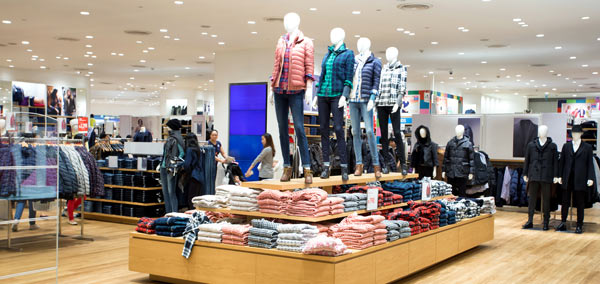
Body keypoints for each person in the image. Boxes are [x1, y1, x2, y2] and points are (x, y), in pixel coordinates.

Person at [160, 119, 184, 213]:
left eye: (168, 126)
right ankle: (168, 213)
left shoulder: (177, 138)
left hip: (171, 168)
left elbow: (182, 153)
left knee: (171, 192)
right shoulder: (170, 138)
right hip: (163, 166)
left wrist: (174, 163)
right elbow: (166, 153)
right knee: (165, 192)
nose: (167, 128)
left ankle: (173, 213)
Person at [183, 133, 204, 208]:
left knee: (190, 198)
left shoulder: (189, 150)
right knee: (196, 198)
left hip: (193, 176)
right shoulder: (199, 149)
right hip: (200, 176)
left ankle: (191, 216)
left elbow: (187, 164)